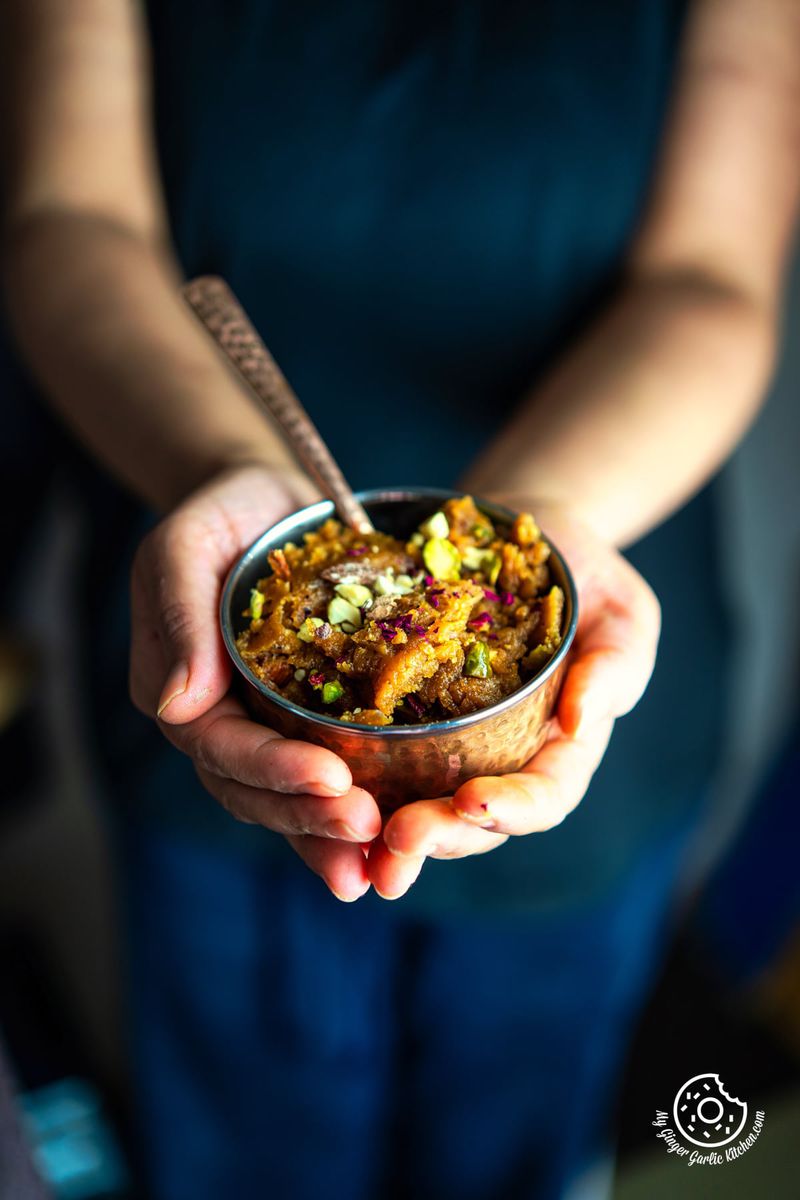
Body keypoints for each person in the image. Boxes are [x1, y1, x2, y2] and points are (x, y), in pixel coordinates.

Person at [3, 1, 799, 1197]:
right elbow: (70, 216)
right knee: (241, 1136)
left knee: (516, 1138)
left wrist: (533, 519)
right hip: (216, 637)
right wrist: (222, 474)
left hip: (580, 647)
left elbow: (708, 278)